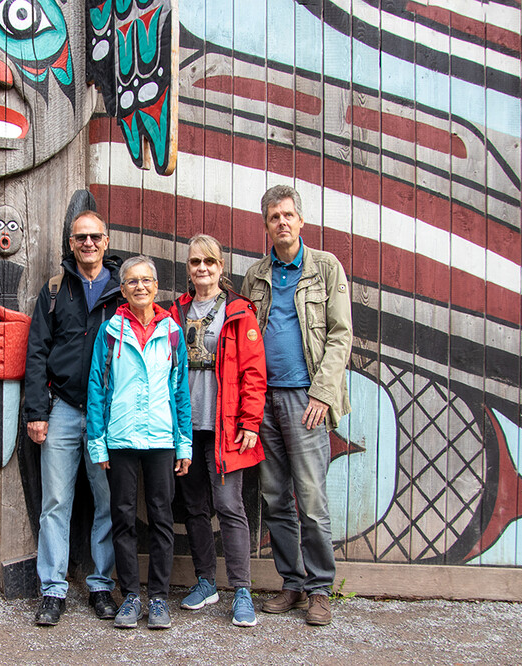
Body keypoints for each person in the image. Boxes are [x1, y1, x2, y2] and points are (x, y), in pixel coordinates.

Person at [242, 184, 353, 626]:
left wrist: (322, 395)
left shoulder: (326, 269)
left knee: (310, 497)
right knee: (274, 498)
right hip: (263, 399)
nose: (282, 222)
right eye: (274, 217)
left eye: (288, 215)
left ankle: (320, 588)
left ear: (301, 221)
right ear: (266, 224)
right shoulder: (256, 276)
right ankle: (291, 583)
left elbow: (341, 334)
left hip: (306, 399)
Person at [23, 210, 125, 626]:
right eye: (80, 237)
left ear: (105, 240)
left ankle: (101, 584)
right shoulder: (53, 290)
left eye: (94, 236)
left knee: (106, 501)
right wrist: (36, 411)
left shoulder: (123, 290)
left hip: (109, 414)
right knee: (56, 502)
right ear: (71, 243)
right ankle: (52, 589)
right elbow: (36, 353)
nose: (88, 243)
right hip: (62, 408)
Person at [87, 256, 193, 630]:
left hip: (162, 437)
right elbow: (97, 387)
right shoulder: (111, 330)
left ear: (157, 285)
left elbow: (180, 391)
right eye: (132, 281)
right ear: (123, 288)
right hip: (120, 437)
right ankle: (131, 595)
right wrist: (98, 444)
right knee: (124, 517)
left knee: (162, 518)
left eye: (146, 280)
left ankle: (159, 598)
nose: (140, 287)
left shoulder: (173, 330)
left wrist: (185, 445)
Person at [169, 234, 267, 627]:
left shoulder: (239, 312)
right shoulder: (175, 311)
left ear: (221, 267)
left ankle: (242, 591)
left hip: (226, 428)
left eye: (209, 261)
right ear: (189, 268)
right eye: (195, 262)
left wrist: (251, 422)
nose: (202, 268)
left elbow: (255, 373)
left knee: (229, 506)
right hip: (187, 428)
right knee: (193, 507)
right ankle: (206, 582)